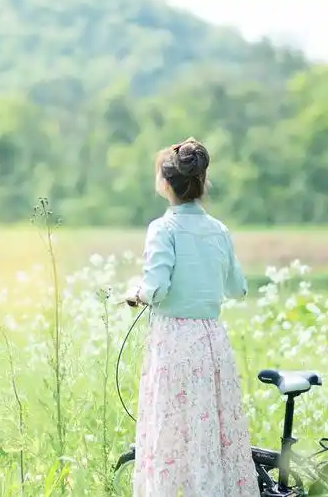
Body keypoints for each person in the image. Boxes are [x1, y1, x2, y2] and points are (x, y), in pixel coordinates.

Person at [124, 137, 257, 496]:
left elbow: (156, 288)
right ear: (201, 182)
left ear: (165, 183)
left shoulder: (162, 229)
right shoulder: (219, 230)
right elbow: (237, 288)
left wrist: (135, 294)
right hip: (211, 341)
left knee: (171, 433)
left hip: (174, 343)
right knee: (210, 433)